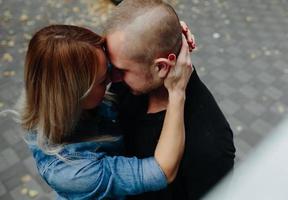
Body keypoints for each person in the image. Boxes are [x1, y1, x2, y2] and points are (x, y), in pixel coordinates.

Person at [21, 24, 193, 199]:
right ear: (74, 96)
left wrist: (163, 35)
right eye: (103, 80)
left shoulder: (46, 88)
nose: (116, 77)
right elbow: (163, 170)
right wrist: (177, 92)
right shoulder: (72, 172)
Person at [104, 0, 236, 199]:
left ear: (162, 67)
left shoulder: (210, 144)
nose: (112, 78)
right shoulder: (127, 84)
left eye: (122, 70)